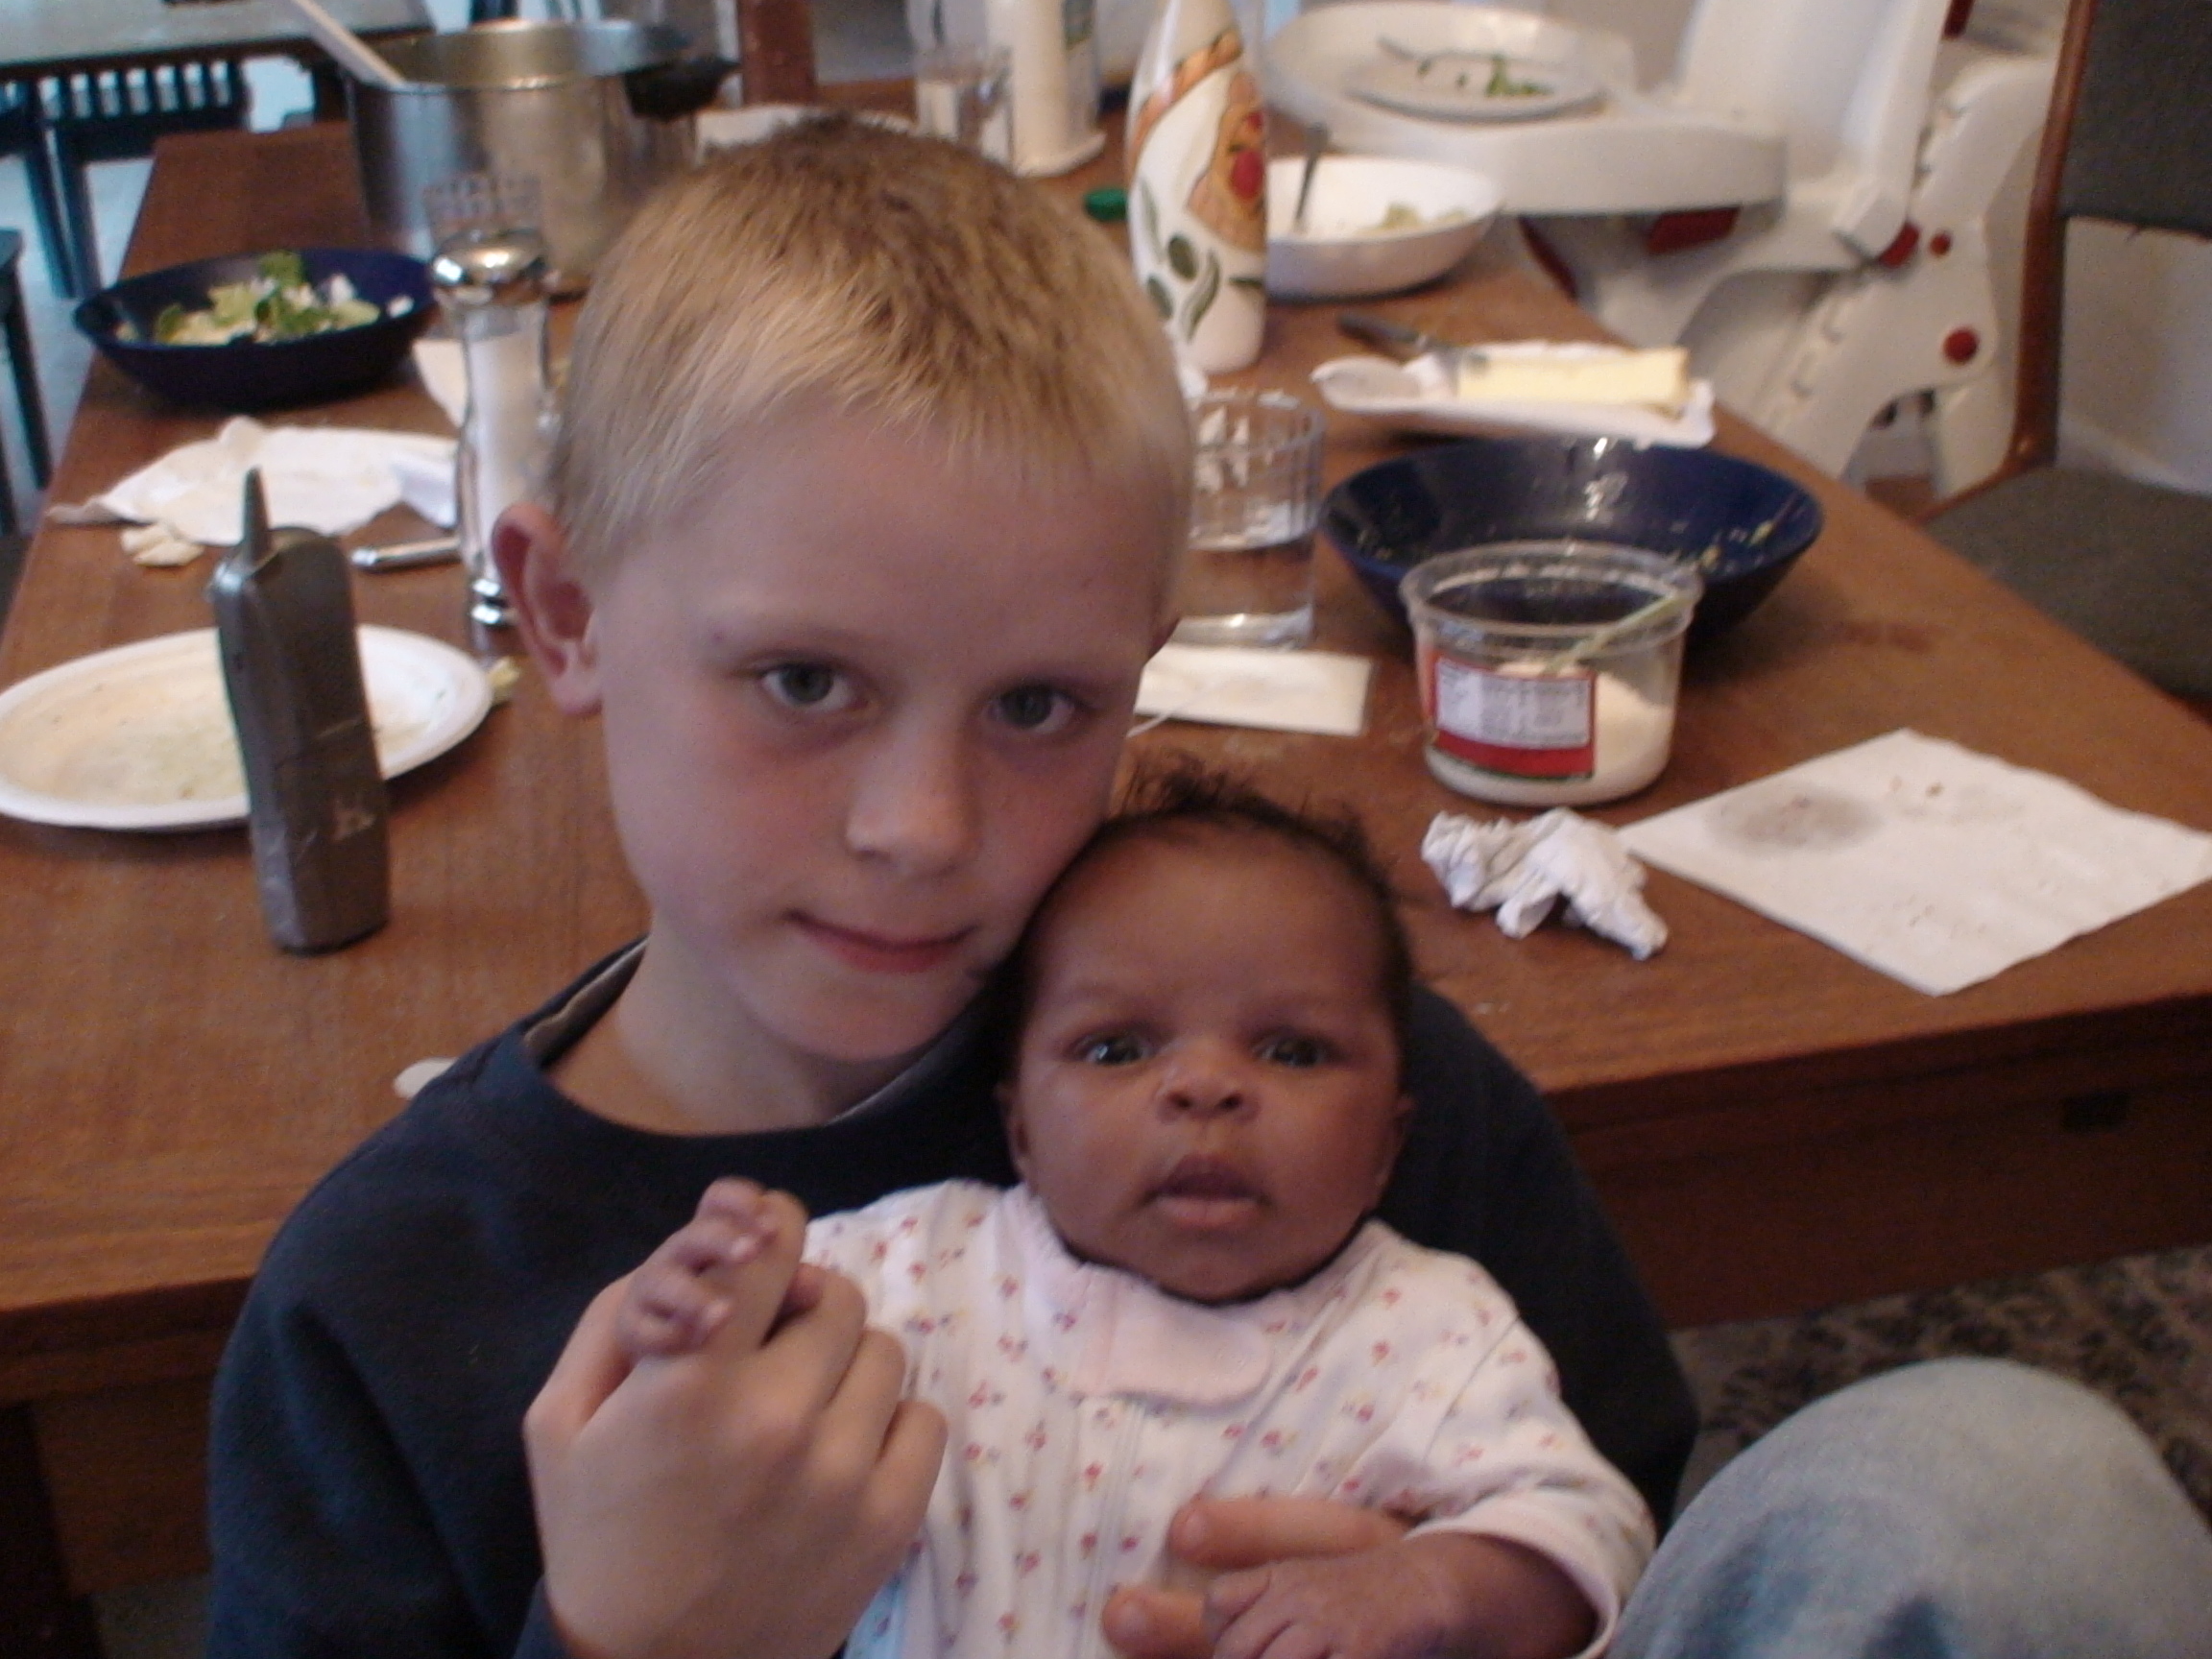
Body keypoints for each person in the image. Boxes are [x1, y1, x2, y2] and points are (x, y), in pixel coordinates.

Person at [204, 114, 2212, 1659]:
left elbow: (1615, 1487)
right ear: (563, 614)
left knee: (2007, 1488)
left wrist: (1475, 1594)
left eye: (1039, 705)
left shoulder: (1308, 1062)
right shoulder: (386, 1306)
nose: (922, 824)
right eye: (804, 681)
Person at [616, 771, 1656, 1659]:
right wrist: (693, 1312)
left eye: (1292, 1051)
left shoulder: (1430, 1331)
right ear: (1021, 1131)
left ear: (1390, 1142)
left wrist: (1436, 1585)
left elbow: (1596, 1525)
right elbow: (734, 1363)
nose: (1205, 1086)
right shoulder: (921, 1271)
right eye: (1117, 1049)